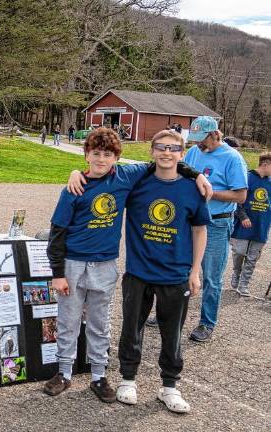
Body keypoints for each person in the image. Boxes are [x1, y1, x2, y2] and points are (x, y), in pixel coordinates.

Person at [42, 128, 210, 403]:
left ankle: (99, 375)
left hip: (105, 264)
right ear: (86, 155)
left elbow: (165, 159)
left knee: (99, 323)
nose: (101, 159)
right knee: (68, 321)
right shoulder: (74, 188)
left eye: (107, 154)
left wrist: (196, 174)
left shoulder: (125, 177)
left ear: (116, 157)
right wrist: (57, 273)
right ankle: (64, 372)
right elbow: (57, 232)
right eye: (95, 154)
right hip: (74, 264)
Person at [116, 129, 209, 413]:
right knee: (132, 328)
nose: (166, 153)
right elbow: (104, 170)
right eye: (161, 147)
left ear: (182, 154)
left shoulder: (192, 188)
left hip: (175, 273)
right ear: (152, 151)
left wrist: (195, 271)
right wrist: (75, 172)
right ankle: (128, 379)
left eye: (173, 148)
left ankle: (169, 386)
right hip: (139, 271)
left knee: (172, 333)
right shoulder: (137, 182)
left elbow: (199, 230)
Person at [183, 116, 247, 342]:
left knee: (211, 276)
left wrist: (210, 192)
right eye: (196, 139)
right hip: (189, 220)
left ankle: (206, 323)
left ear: (215, 134)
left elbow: (240, 195)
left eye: (203, 139)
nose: (199, 144)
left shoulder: (232, 158)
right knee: (180, 269)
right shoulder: (193, 153)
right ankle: (171, 312)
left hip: (217, 222)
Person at [230, 153, 271, 296]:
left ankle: (244, 284)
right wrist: (242, 216)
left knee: (253, 257)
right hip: (244, 224)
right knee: (240, 252)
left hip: (262, 225)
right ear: (265, 164)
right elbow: (237, 199)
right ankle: (236, 274)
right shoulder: (247, 177)